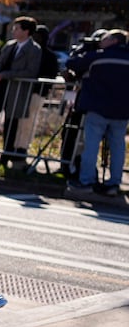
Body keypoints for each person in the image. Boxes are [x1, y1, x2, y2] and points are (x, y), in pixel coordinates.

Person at [64, 29, 129, 201]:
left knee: (91, 145)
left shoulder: (98, 56)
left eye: (104, 38)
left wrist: (83, 48)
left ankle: (86, 181)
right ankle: (114, 183)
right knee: (118, 146)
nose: (101, 41)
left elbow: (71, 63)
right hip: (122, 110)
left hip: (97, 107)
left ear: (114, 40)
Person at [0, 16, 43, 173]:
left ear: (26, 31)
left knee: (10, 125)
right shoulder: (9, 46)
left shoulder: (34, 49)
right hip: (0, 89)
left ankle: (5, 158)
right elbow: (0, 65)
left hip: (17, 91)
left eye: (17, 28)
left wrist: (6, 74)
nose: (14, 31)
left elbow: (31, 72)